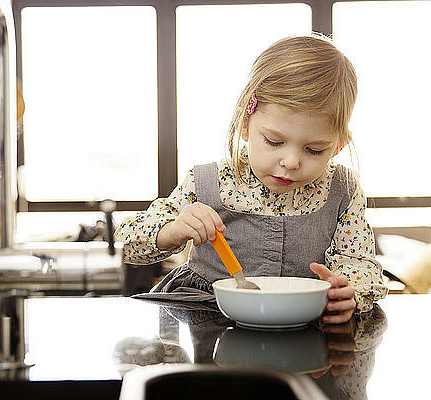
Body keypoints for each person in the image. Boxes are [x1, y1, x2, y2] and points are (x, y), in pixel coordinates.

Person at [116, 34, 388, 324]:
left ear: (338, 146)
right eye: (273, 141)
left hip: (302, 326)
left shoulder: (342, 190)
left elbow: (358, 263)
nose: (291, 162)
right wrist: (174, 230)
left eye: (314, 149)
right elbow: (127, 245)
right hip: (207, 317)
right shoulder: (209, 180)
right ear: (245, 124)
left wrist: (349, 293)